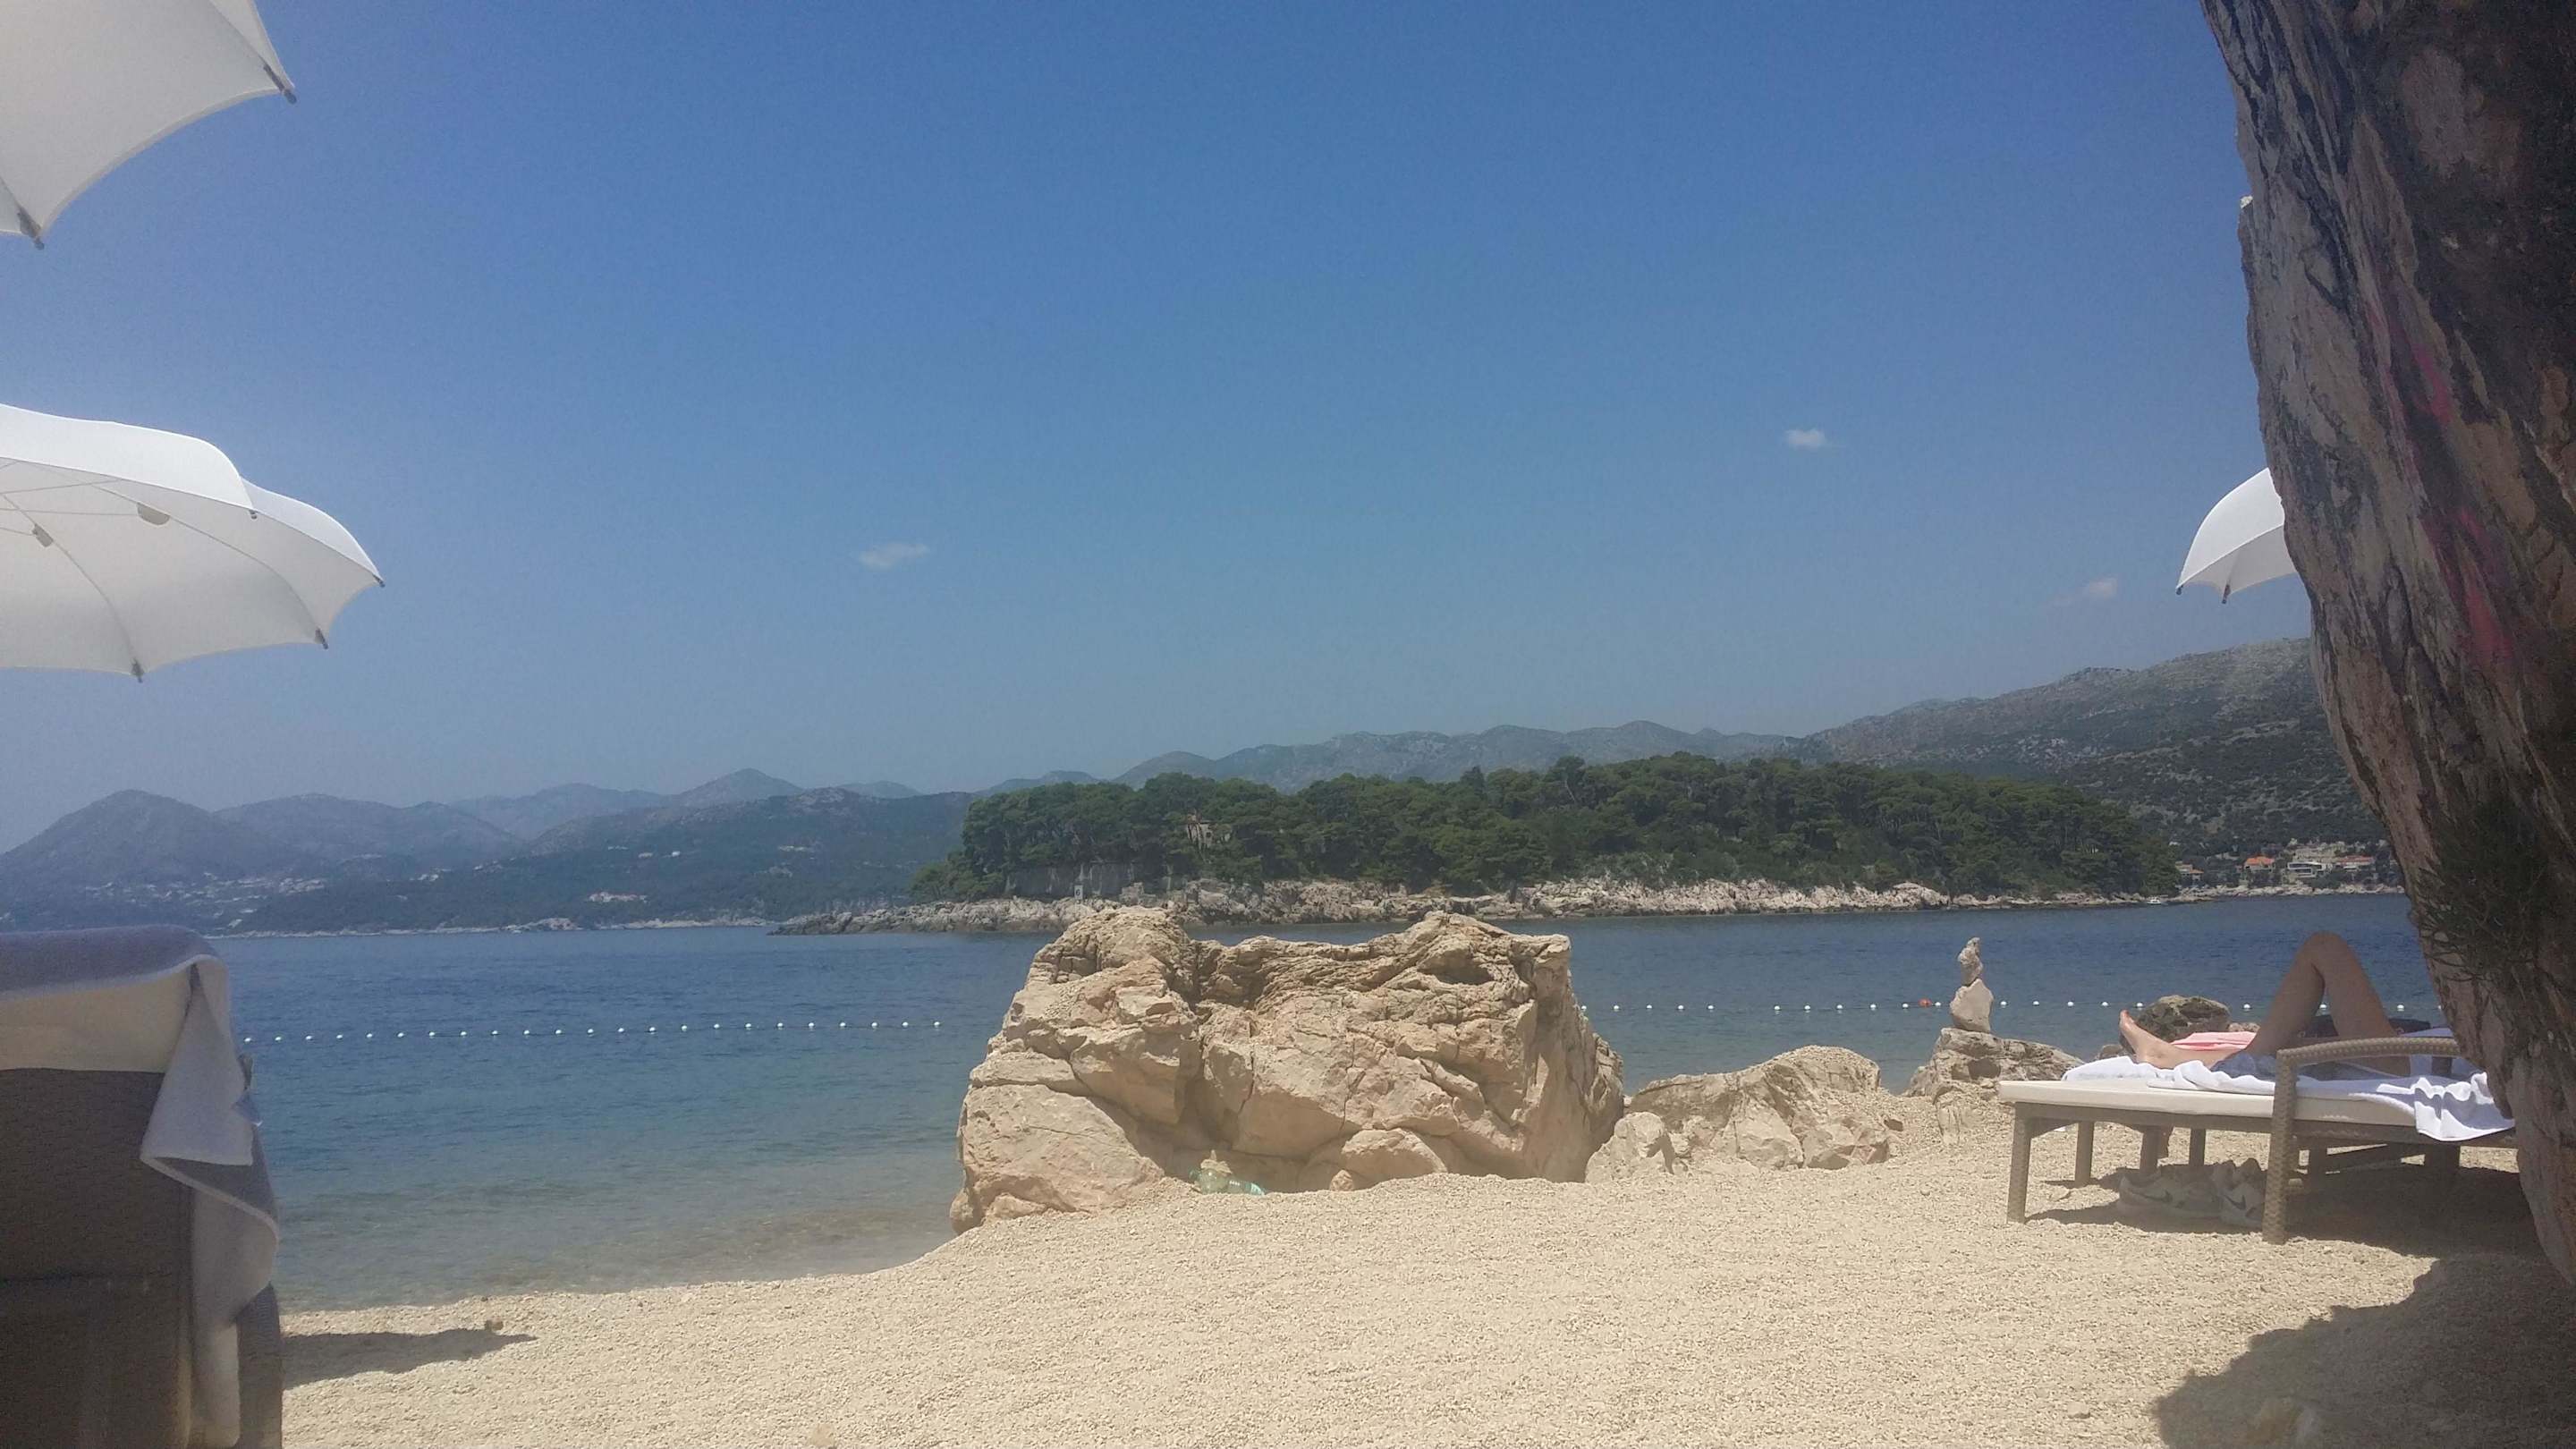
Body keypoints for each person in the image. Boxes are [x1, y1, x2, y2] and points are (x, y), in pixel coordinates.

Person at [2114, 930, 2414, 1076]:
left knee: (2324, 947)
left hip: (2401, 1063)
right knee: (2292, 1048)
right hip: (2416, 1057)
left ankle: (2170, 1056)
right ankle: (2170, 1055)